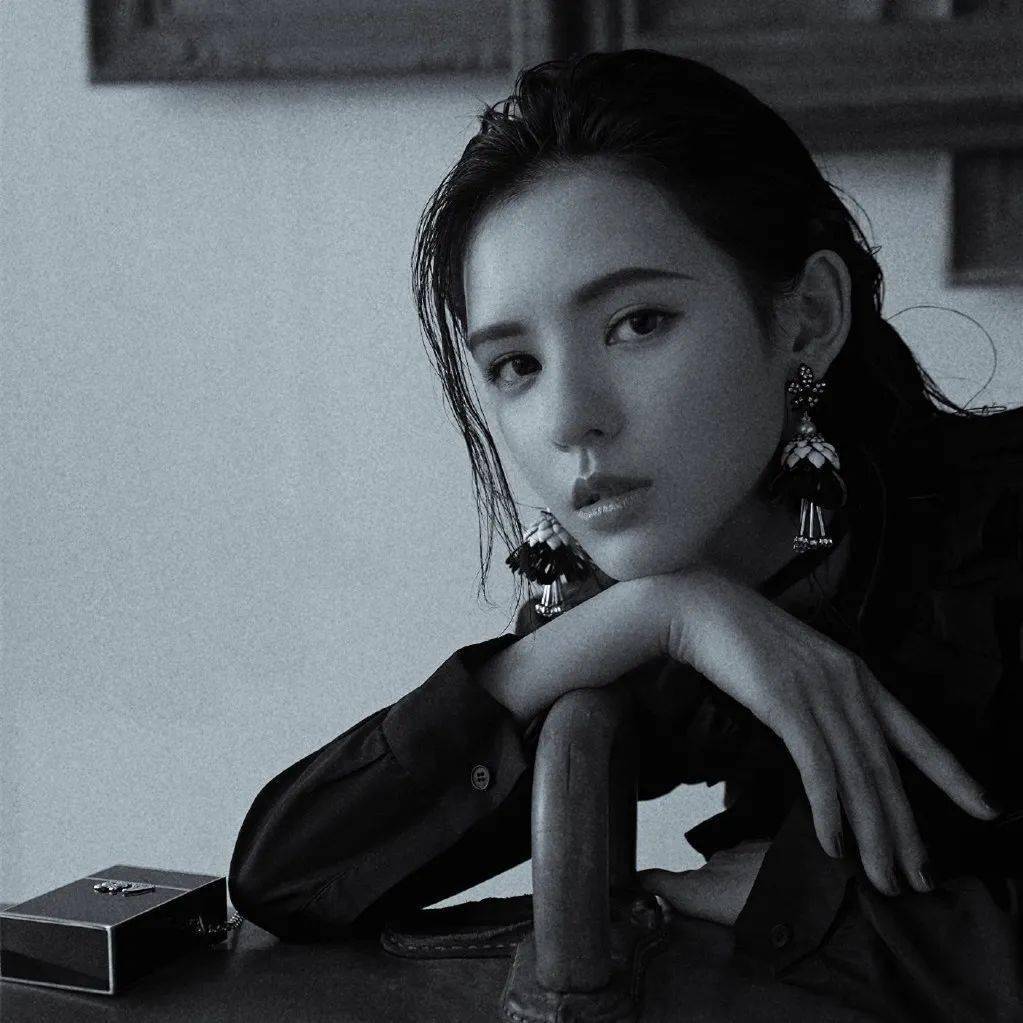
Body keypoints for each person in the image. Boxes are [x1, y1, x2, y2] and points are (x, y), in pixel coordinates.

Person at [228, 50, 1023, 1020]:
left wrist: (801, 904)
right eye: (516, 365)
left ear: (808, 318)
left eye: (638, 323)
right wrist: (661, 614)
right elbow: (288, 878)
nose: (570, 420)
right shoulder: (635, 622)